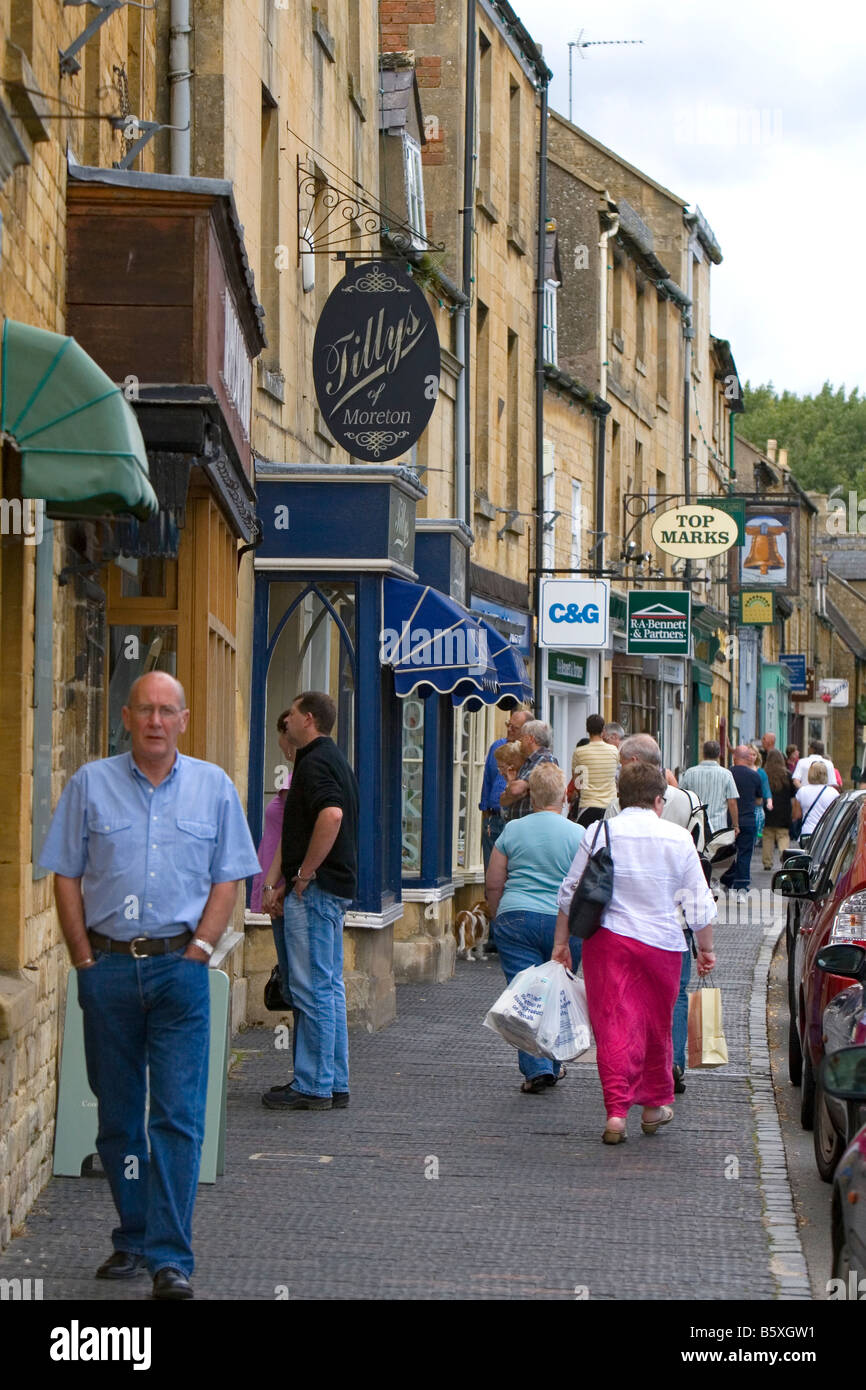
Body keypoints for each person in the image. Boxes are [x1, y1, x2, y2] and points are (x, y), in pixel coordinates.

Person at [39, 671, 260, 1300]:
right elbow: (65, 873)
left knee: (177, 1117)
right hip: (106, 970)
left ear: (184, 720)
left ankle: (170, 1257)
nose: (156, 721)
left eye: (167, 711)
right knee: (116, 1118)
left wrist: (198, 951)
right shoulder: (91, 785)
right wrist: (83, 957)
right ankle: (132, 1236)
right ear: (127, 717)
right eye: (145, 710)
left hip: (179, 973)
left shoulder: (213, 788)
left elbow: (229, 879)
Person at [552, 762, 717, 1144]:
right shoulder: (678, 838)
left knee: (612, 1026)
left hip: (608, 942)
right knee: (656, 1029)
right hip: (662, 945)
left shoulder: (599, 832)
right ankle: (653, 1106)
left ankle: (615, 1114)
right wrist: (706, 949)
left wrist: (561, 943)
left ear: (620, 797)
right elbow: (699, 902)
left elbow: (570, 891)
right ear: (659, 800)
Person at [261, 691, 358, 1112]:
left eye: (294, 714)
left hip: (316, 891)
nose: (290, 722)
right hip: (324, 888)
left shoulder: (315, 761)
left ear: (310, 719)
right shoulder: (328, 757)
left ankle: (314, 1083)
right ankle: (332, 1080)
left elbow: (331, 815)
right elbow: (302, 827)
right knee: (327, 987)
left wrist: (303, 874)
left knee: (312, 987)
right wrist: (284, 878)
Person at [603, 733, 699, 1096]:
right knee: (674, 995)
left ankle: (635, 1068)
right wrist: (704, 939)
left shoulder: (618, 809)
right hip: (673, 920)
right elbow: (698, 864)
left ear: (633, 763)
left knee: (628, 998)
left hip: (623, 920)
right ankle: (671, 1063)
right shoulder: (689, 802)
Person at [486, 764, 584, 1092]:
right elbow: (585, 885)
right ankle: (552, 1062)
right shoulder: (579, 834)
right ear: (564, 796)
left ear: (531, 795)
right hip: (564, 922)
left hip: (518, 916)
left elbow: (494, 882)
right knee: (558, 992)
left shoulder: (512, 830)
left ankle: (537, 1067)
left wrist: (499, 916)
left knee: (525, 993)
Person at [251, 709, 294, 1008]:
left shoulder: (294, 780)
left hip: (281, 890)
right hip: (280, 887)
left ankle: (306, 1055)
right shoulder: (295, 776)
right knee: (293, 977)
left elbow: (294, 832)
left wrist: (272, 886)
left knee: (293, 981)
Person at [479, 709, 530, 872]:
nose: (509, 730)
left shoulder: (528, 755)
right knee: (491, 872)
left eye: (514, 728)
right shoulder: (498, 746)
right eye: (508, 725)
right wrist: (485, 816)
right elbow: (487, 780)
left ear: (526, 731)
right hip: (493, 820)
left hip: (515, 820)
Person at [720, 745, 764, 891]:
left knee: (727, 851)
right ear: (747, 758)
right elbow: (759, 799)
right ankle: (742, 884)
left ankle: (728, 879)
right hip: (748, 819)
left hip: (728, 819)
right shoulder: (755, 776)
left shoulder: (727, 773)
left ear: (734, 758)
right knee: (745, 852)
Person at [679, 740, 740, 836]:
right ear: (719, 754)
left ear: (703, 753)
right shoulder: (726, 774)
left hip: (695, 824)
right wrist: (735, 825)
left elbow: (682, 797)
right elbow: (732, 802)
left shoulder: (690, 773)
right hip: (718, 827)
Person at [500, 720, 557, 822]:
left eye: (522, 737)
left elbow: (515, 790)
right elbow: (503, 800)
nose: (520, 741)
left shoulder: (543, 759)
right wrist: (513, 788)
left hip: (532, 824)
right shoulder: (529, 761)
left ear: (530, 739)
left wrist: (513, 789)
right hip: (522, 824)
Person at [571, 714, 619, 828]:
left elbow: (577, 782)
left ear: (587, 730)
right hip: (610, 806)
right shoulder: (613, 751)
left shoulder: (579, 752)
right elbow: (616, 775)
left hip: (587, 805)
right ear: (603, 730)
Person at [762, 748, 795, 870]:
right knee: (783, 836)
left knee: (768, 836)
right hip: (784, 811)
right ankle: (784, 859)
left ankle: (767, 862)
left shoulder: (764, 774)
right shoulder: (787, 775)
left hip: (768, 811)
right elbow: (792, 794)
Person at [794, 760, 840, 839]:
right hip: (825, 834)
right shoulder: (833, 793)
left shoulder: (802, 791)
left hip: (807, 833)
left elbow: (796, 815)